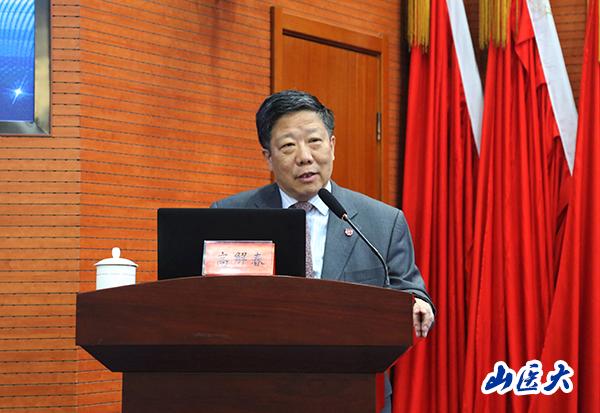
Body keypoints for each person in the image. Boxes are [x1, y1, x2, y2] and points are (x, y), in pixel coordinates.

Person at [212, 89, 434, 412]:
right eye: (288, 146)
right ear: (268, 157)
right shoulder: (230, 217)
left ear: (332, 145)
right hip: (258, 393)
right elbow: (208, 301)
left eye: (314, 141)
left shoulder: (382, 222)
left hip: (354, 394)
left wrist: (418, 305)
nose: (304, 156)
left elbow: (410, 292)